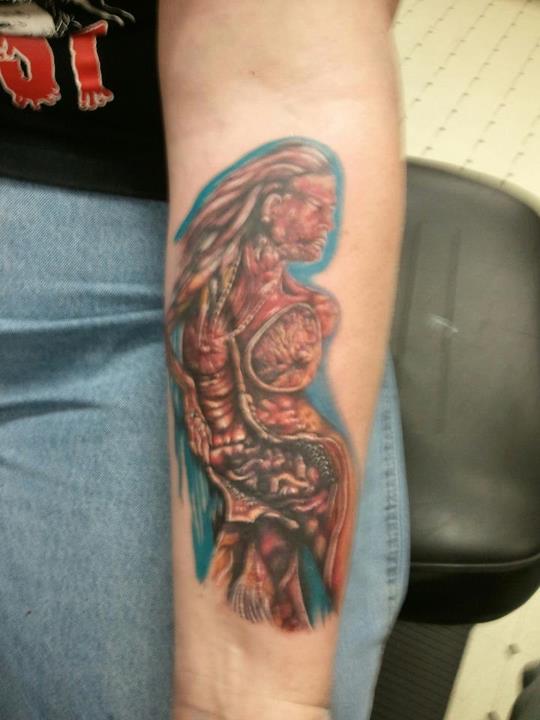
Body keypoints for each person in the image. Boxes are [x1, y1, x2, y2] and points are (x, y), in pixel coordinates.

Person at [0, 1, 408, 719]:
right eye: (311, 207)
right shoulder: (228, 304)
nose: (324, 220)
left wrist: (249, 696)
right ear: (272, 208)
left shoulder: (270, 296)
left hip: (137, 193)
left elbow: (285, 86)